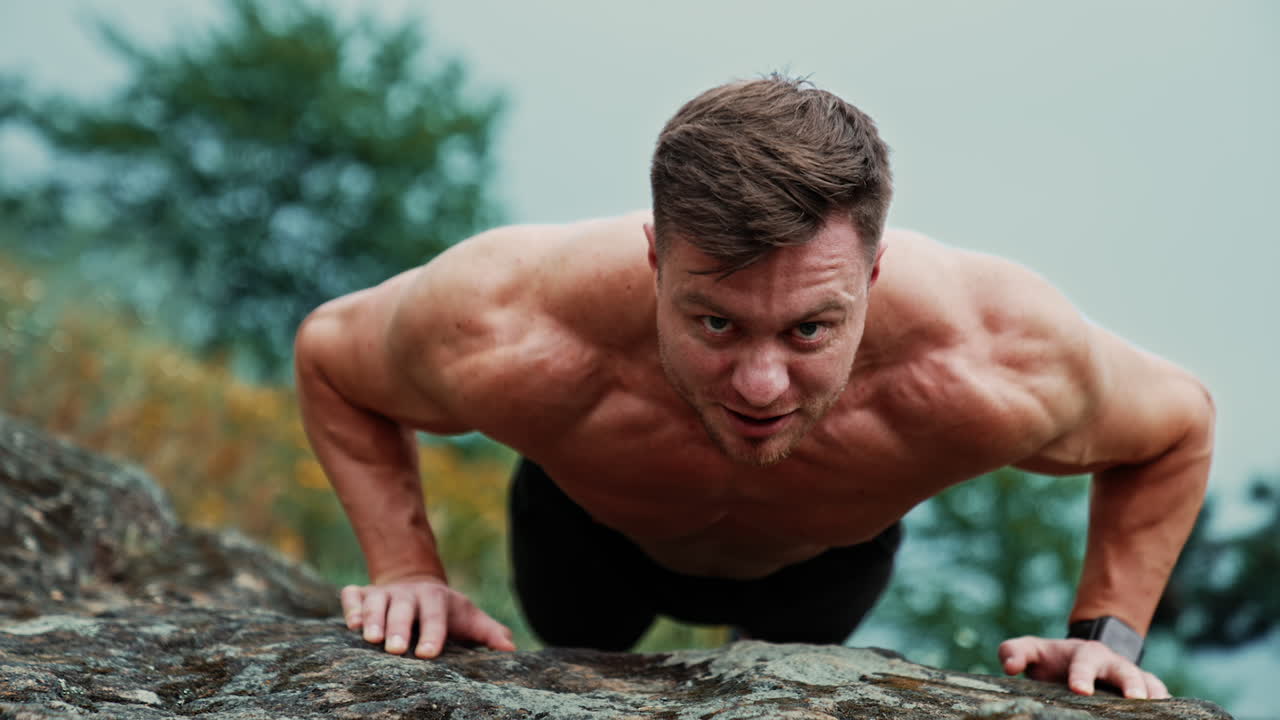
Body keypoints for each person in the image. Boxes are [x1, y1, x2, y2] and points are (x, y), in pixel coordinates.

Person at [293, 75, 1213, 700]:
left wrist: (1108, 636)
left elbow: (1175, 428)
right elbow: (333, 355)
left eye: (811, 328)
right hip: (583, 541)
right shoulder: (511, 321)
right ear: (656, 259)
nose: (764, 384)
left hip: (825, 567)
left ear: (875, 273)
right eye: (717, 324)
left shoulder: (995, 354)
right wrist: (409, 570)